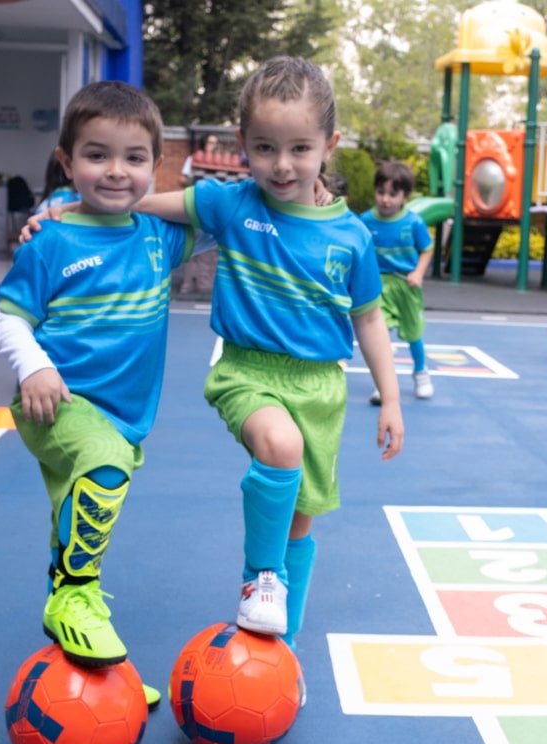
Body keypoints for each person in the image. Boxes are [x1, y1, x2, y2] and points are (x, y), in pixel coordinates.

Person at [133, 55, 405, 655]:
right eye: (264, 148)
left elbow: (368, 318)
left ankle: (280, 653)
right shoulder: (233, 205)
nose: (281, 165)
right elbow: (145, 204)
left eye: (300, 148)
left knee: (301, 521)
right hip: (247, 373)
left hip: (321, 388)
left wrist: (391, 397)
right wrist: (63, 214)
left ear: (329, 145)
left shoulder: (351, 236)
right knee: (281, 448)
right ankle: (259, 578)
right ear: (242, 144)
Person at [0, 82, 198, 708]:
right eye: (97, 155)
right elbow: (9, 317)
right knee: (102, 475)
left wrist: (305, 188)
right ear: (66, 161)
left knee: (75, 528)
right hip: (56, 404)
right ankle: (72, 597)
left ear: (155, 166)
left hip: (122, 416)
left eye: (134, 158)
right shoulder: (51, 240)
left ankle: (85, 669)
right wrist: (33, 369)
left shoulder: (157, 238)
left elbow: (235, 212)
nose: (116, 171)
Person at [360, 160, 434, 404]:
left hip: (406, 285)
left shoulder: (413, 222)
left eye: (393, 194)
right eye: (381, 192)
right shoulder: (364, 221)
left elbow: (427, 249)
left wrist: (418, 273)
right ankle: (384, 385)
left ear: (405, 196)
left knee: (414, 333)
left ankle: (421, 372)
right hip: (379, 286)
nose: (385, 199)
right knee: (380, 334)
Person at [177, 134, 220, 298]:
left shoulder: (218, 160)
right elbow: (182, 178)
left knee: (210, 250)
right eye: (210, 142)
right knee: (193, 246)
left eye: (215, 143)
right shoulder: (193, 159)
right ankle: (188, 284)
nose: (212, 146)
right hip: (195, 205)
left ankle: (205, 285)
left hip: (214, 209)